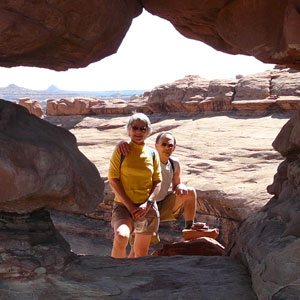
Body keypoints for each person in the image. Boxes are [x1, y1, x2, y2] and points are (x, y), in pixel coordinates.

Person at [119, 131, 197, 238]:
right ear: (156, 146)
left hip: (163, 205)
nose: (167, 148)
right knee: (139, 247)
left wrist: (181, 186)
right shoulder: (148, 161)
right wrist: (122, 143)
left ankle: (190, 229)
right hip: (145, 207)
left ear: (174, 148)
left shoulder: (174, 163)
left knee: (190, 192)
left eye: (170, 145)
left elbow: (176, 186)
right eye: (163, 144)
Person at [108, 113, 162, 258]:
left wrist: (148, 204)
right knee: (121, 236)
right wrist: (131, 207)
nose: (138, 132)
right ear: (129, 129)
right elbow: (113, 180)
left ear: (148, 131)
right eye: (135, 128)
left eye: (142, 129)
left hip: (146, 208)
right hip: (124, 206)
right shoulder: (122, 150)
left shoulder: (152, 154)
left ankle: (134, 279)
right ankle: (116, 274)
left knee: (141, 253)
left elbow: (157, 182)